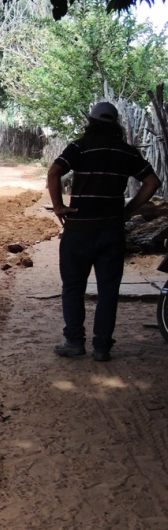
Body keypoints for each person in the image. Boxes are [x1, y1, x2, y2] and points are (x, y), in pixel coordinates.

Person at [47, 101, 162, 361]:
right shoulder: (126, 152)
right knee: (108, 290)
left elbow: (54, 173)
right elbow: (152, 181)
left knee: (73, 287)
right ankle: (102, 348)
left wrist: (58, 207)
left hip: (78, 230)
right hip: (111, 231)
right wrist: (129, 210)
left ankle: (74, 342)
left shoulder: (79, 147)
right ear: (116, 124)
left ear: (91, 121)